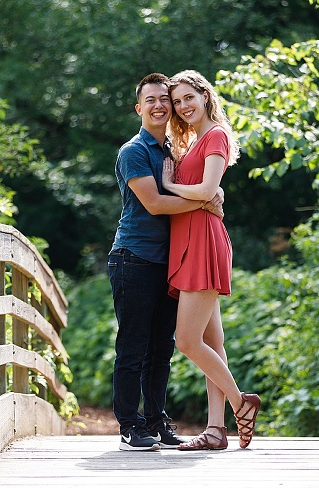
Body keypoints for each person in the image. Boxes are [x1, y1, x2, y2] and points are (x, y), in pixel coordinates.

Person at [108, 72, 224, 451]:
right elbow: (156, 204)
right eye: (152, 100)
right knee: (133, 345)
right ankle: (130, 425)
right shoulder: (134, 152)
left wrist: (211, 192)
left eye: (167, 99)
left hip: (169, 261)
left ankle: (157, 422)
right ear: (139, 108)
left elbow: (198, 185)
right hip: (135, 258)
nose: (161, 106)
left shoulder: (172, 150)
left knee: (162, 347)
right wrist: (207, 198)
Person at [161, 70, 261, 450]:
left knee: (187, 341)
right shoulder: (191, 143)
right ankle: (216, 430)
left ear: (205, 95)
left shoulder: (216, 135)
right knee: (211, 340)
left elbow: (207, 189)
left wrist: (171, 184)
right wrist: (205, 198)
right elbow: (205, 195)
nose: (184, 106)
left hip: (203, 241)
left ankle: (241, 403)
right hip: (191, 237)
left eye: (189, 97)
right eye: (178, 102)